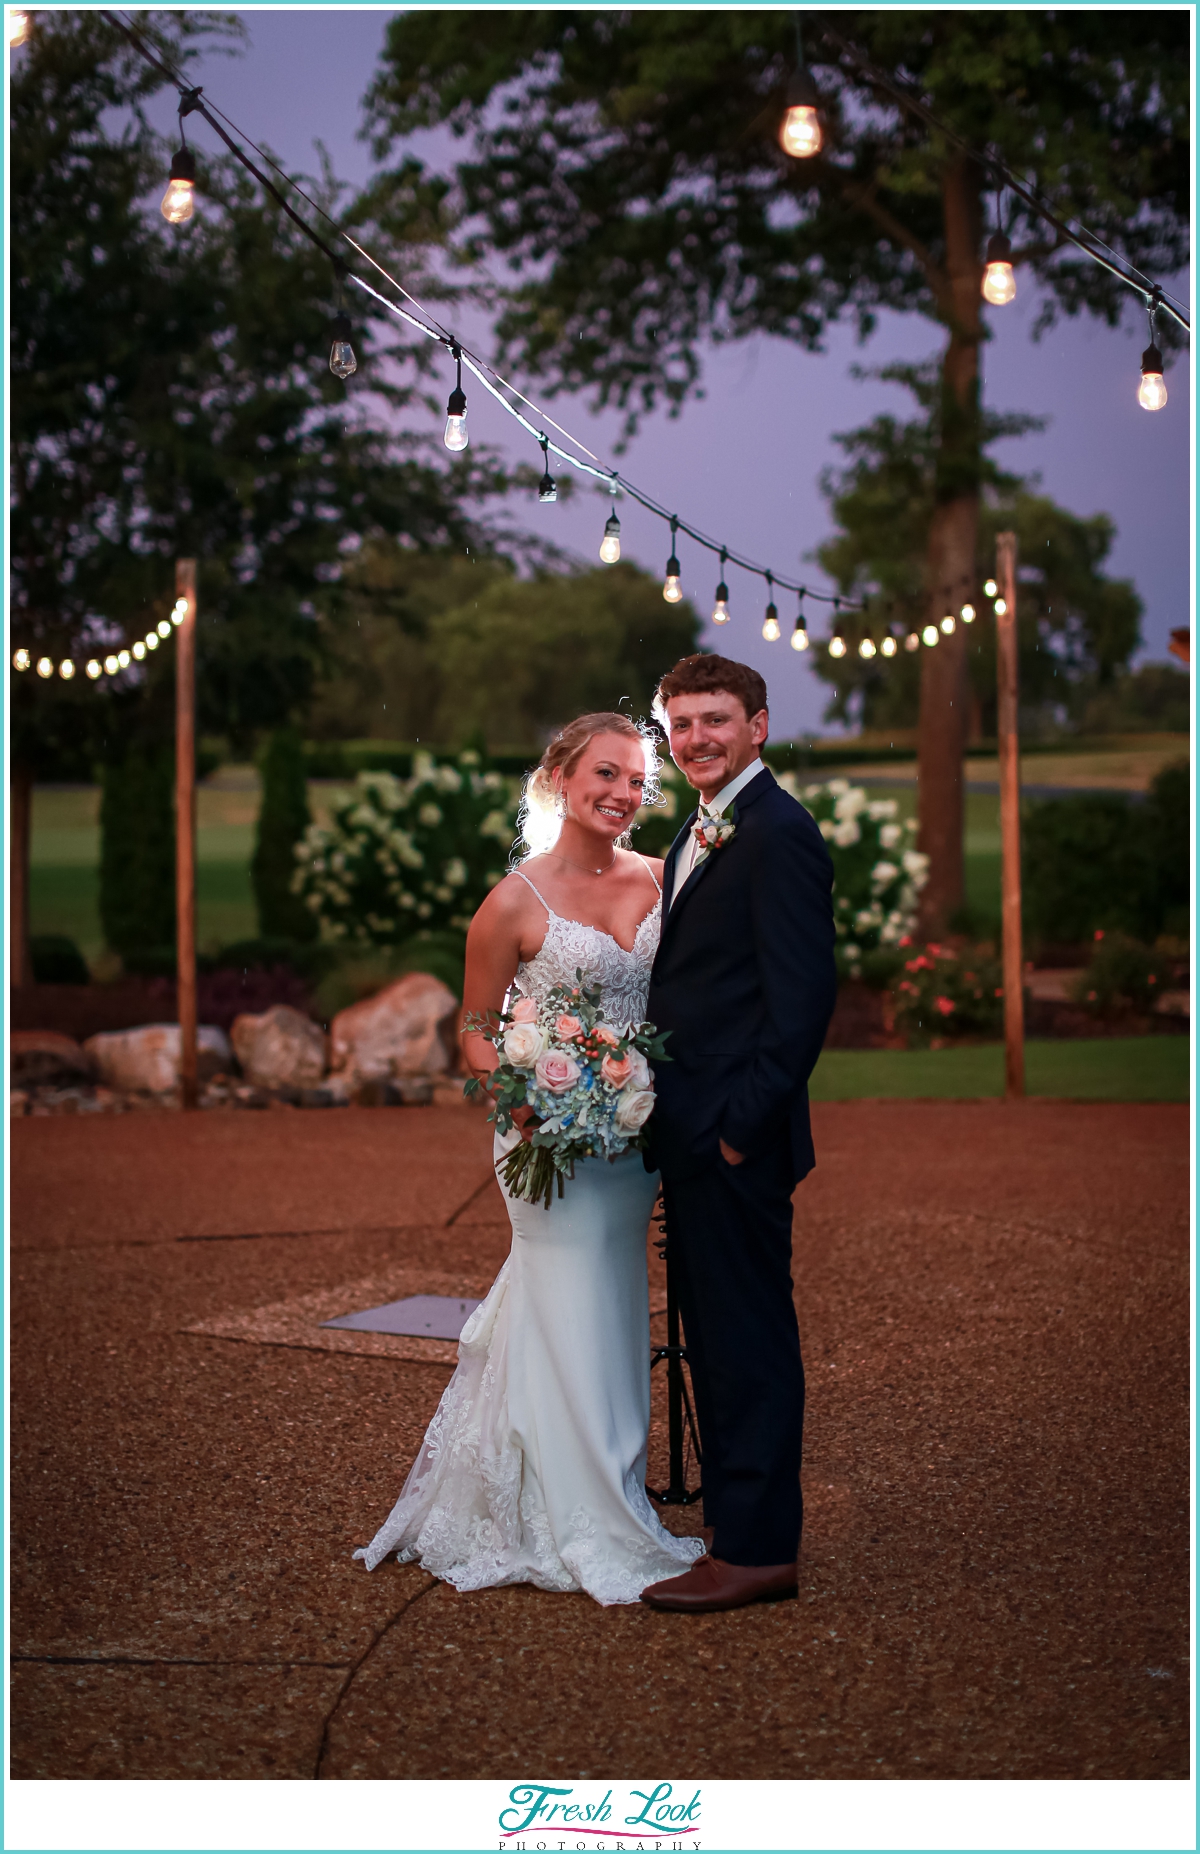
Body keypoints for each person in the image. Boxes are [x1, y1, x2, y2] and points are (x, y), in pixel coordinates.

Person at [354, 712, 704, 1605]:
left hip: (636, 1130)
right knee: (566, 1291)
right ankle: (580, 1516)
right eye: (607, 774)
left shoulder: (666, 882)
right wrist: (522, 1098)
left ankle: (601, 1489)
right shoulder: (515, 901)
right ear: (560, 776)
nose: (625, 793)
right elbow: (475, 1029)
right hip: (541, 1135)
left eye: (637, 780)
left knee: (614, 1300)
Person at [638, 654, 837, 1614]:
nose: (697, 740)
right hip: (690, 1130)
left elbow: (800, 1006)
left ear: (759, 725)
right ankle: (733, 1527)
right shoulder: (706, 825)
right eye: (681, 725)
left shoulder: (777, 833)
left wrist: (733, 1133)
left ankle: (758, 1548)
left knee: (746, 1338)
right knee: (715, 1335)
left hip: (732, 1138)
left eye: (716, 720)